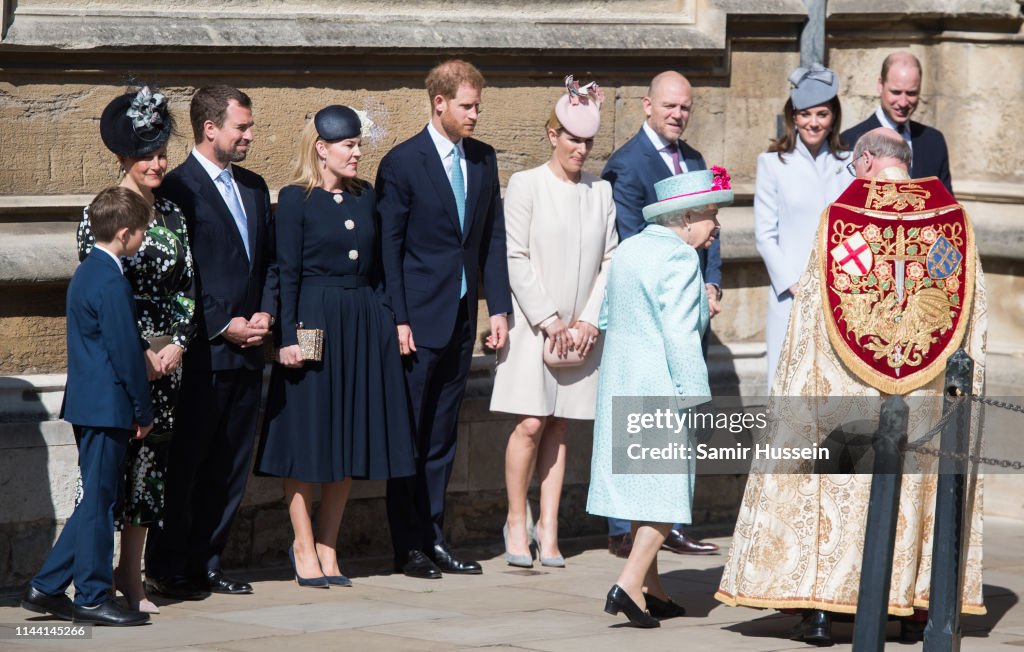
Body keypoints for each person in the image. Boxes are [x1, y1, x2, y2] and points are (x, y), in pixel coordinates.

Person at [715, 128, 986, 646]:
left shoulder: (844, 221)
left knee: (836, 485)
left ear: (864, 163)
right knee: (916, 483)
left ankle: (821, 609)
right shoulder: (953, 224)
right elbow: (973, 321)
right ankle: (912, 608)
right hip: (928, 394)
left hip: (849, 385)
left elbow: (813, 317)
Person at [254, 105, 417, 588]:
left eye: (359, 144)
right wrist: (287, 339)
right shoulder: (296, 200)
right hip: (315, 322)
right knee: (308, 435)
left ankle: (329, 545)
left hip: (362, 323)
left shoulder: (366, 197)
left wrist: (389, 320)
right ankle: (302, 545)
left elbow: (382, 266)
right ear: (322, 149)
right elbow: (286, 272)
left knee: (346, 436)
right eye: (349, 145)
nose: (357, 153)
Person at [377, 59, 512, 579]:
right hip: (416, 320)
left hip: (459, 317)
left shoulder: (482, 159)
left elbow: (491, 237)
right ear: (439, 103)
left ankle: (434, 538)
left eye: (478, 105)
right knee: (409, 433)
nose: (475, 114)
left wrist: (495, 306)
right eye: (467, 106)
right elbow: (390, 249)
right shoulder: (402, 163)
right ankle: (406, 544)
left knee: (441, 435)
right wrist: (399, 319)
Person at [145, 85, 278, 599]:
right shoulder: (176, 188)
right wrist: (223, 323)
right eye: (241, 127)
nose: (249, 135)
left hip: (249, 353)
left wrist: (266, 312)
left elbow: (268, 261)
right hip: (201, 354)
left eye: (248, 126)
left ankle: (208, 561)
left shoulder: (253, 186)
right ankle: (168, 564)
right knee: (188, 466)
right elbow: (181, 274)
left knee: (229, 466)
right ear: (210, 128)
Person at [587, 167, 733, 628]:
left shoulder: (630, 249)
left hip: (622, 380)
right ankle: (629, 585)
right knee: (668, 493)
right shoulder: (680, 259)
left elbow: (609, 314)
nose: (717, 226)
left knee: (643, 490)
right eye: (712, 215)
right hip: (661, 385)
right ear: (686, 217)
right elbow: (680, 335)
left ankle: (653, 588)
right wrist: (695, 392)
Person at [74, 85, 196, 614]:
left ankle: (133, 575)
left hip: (165, 368)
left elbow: (189, 287)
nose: (159, 163)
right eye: (148, 155)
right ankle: (90, 578)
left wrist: (179, 346)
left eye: (163, 152)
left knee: (148, 473)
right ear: (124, 157)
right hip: (118, 368)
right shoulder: (99, 213)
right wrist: (139, 357)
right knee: (103, 480)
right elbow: (103, 298)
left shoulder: (172, 214)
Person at [490, 77, 618, 568]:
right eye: (572, 138)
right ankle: (516, 520)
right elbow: (515, 256)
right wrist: (549, 319)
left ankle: (550, 526)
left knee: (561, 426)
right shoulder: (526, 184)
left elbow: (611, 259)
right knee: (529, 422)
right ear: (552, 135)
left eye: (587, 141)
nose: (580, 149)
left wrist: (588, 321)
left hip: (582, 332)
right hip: (533, 326)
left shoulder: (600, 192)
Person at [600, 70, 720, 557]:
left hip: (692, 298)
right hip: (654, 311)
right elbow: (633, 240)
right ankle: (626, 528)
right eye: (669, 106)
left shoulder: (694, 159)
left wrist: (710, 283)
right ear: (647, 105)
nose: (678, 114)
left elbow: (713, 227)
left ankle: (665, 526)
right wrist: (685, 284)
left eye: (685, 107)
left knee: (671, 431)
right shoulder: (626, 164)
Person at [22, 187, 154, 627]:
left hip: (91, 404)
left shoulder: (87, 272)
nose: (143, 239)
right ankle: (93, 595)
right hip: (107, 406)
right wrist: (143, 409)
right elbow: (125, 352)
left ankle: (47, 585)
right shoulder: (111, 279)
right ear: (123, 233)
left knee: (97, 498)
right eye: (140, 233)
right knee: (100, 504)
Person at [755, 64, 850, 388]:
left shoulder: (847, 165)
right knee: (786, 382)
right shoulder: (772, 164)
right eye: (805, 114)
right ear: (793, 116)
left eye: (822, 114)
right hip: (790, 295)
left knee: (831, 385)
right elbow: (765, 235)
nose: (813, 123)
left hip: (837, 295)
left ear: (833, 117)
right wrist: (794, 284)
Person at [841, 51, 952, 193]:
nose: (903, 102)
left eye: (911, 93)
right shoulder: (849, 141)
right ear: (880, 85)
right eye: (896, 92)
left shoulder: (934, 141)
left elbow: (948, 205)